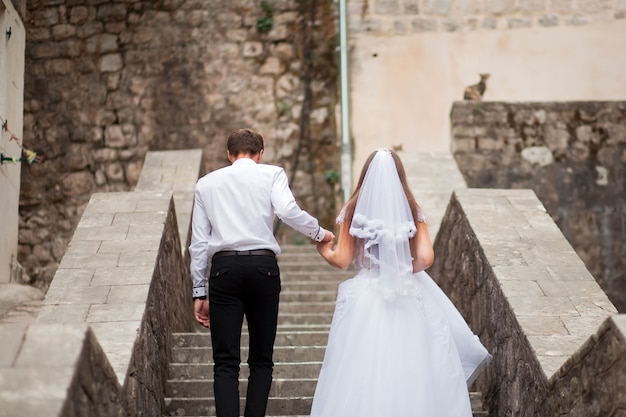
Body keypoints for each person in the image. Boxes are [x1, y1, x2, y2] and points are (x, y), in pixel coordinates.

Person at [310, 149, 491, 417]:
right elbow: (427, 258)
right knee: (413, 367)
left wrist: (323, 250)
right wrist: (401, 269)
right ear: (399, 175)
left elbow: (342, 259)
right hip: (407, 294)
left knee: (360, 368)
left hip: (366, 297)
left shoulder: (352, 211)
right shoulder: (412, 210)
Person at [189, 128, 335, 417]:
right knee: (261, 359)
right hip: (263, 269)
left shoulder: (206, 185)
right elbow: (288, 210)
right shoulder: (272, 174)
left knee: (225, 362)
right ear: (260, 153)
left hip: (223, 271)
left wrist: (199, 291)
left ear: (229, 155)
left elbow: (199, 243)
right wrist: (319, 233)